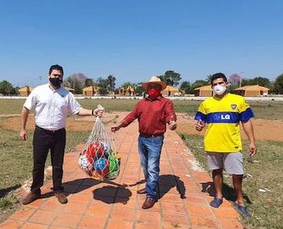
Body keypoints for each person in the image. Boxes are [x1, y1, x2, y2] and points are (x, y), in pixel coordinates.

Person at [20, 64, 104, 205]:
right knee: (38, 163)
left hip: (59, 134)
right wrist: (22, 128)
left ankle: (58, 190)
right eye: (54, 75)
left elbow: (77, 110)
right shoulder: (38, 91)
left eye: (59, 76)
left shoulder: (67, 95)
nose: (57, 78)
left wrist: (92, 112)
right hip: (41, 133)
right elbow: (25, 109)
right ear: (49, 75)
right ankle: (35, 191)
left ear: (62, 77)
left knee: (58, 164)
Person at [194, 72, 256, 217]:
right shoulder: (206, 104)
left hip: (232, 145)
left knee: (237, 173)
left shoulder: (238, 101)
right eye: (215, 84)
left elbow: (246, 122)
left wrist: (252, 141)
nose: (218, 86)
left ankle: (240, 200)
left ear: (227, 84)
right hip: (213, 144)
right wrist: (199, 126)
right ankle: (218, 196)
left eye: (220, 83)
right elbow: (200, 122)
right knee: (216, 171)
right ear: (211, 87)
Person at [110, 76, 177, 209]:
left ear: (160, 89)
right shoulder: (141, 103)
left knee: (152, 167)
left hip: (155, 139)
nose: (153, 89)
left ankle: (151, 195)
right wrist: (120, 125)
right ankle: (148, 187)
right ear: (147, 89)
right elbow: (132, 115)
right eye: (151, 87)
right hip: (142, 138)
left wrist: (172, 122)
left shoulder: (165, 102)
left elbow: (170, 115)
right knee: (144, 165)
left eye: (156, 87)